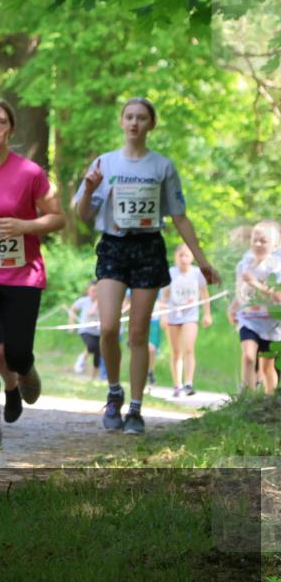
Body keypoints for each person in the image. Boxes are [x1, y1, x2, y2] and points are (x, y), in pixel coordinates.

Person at [74, 97, 220, 435]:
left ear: (151, 124)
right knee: (108, 327)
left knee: (138, 332)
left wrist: (202, 262)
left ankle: (136, 409)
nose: (135, 123)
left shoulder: (162, 166)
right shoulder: (105, 163)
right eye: (129, 117)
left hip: (148, 247)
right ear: (121, 122)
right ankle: (114, 393)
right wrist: (89, 191)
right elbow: (83, 217)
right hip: (113, 246)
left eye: (142, 118)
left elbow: (179, 216)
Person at [0, 99, 66, 450]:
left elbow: (58, 218)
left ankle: (24, 372)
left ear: (10, 129)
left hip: (23, 276)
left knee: (17, 353)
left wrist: (25, 225)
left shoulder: (29, 173)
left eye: (1, 121)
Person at [228, 221, 281, 393]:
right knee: (249, 357)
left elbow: (278, 297)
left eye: (263, 241)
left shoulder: (276, 268)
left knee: (267, 368)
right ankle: (246, 397)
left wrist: (255, 283)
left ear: (274, 245)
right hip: (249, 320)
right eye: (255, 239)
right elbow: (242, 291)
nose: (258, 244)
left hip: (271, 325)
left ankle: (269, 401)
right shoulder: (244, 264)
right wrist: (233, 307)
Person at [160, 244, 213, 395]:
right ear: (175, 257)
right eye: (180, 255)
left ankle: (189, 383)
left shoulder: (197, 273)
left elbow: (204, 294)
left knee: (188, 348)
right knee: (176, 351)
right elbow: (164, 296)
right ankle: (177, 385)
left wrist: (207, 314)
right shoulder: (170, 273)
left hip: (191, 316)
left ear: (192, 258)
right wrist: (163, 316)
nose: (183, 259)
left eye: (186, 255)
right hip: (173, 315)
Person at [70, 282, 102, 380]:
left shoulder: (102, 301)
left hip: (98, 331)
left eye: (97, 291)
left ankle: (93, 378)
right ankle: (81, 359)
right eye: (93, 290)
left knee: (98, 354)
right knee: (92, 346)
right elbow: (73, 309)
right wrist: (72, 323)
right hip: (85, 330)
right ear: (88, 291)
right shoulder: (83, 301)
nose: (95, 293)